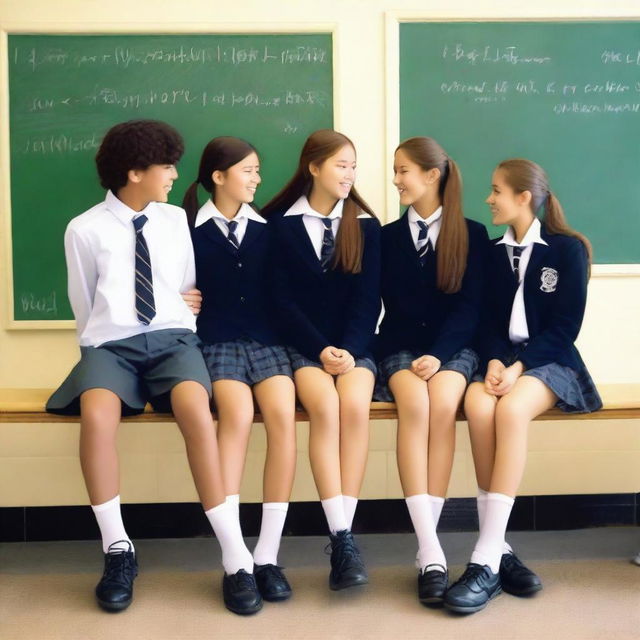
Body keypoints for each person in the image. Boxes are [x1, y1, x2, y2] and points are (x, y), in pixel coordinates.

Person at [46, 120, 261, 616]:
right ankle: (118, 549)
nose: (174, 173)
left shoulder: (174, 221)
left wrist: (183, 313)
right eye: (165, 165)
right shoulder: (84, 228)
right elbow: (84, 305)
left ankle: (235, 556)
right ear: (134, 171)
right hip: (112, 344)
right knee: (97, 416)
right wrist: (102, 349)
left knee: (193, 408)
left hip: (172, 340)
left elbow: (186, 285)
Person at [444, 158, 602, 614]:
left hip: (549, 361)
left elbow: (565, 327)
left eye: (496, 191)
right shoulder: (491, 254)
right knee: (478, 406)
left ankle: (484, 558)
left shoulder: (567, 250)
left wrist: (519, 368)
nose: (489, 199)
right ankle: (501, 552)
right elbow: (484, 321)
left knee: (510, 411)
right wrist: (495, 359)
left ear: (523, 197)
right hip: (500, 361)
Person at [262, 129, 381, 590]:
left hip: (355, 348)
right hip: (303, 349)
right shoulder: (277, 225)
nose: (350, 174)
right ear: (314, 167)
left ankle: (342, 540)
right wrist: (319, 350)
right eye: (341, 165)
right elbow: (281, 302)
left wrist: (349, 349)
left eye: (353, 165)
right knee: (325, 409)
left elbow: (368, 300)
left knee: (354, 407)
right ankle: (344, 538)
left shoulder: (365, 226)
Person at [183, 136, 296, 603]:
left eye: (257, 170)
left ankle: (266, 554)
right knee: (235, 417)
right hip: (218, 343)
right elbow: (166, 284)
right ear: (218, 176)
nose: (257, 179)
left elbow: (282, 294)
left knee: (282, 417)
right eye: (248, 170)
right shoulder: (187, 229)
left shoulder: (268, 229)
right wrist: (180, 300)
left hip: (267, 343)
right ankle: (236, 561)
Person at [375, 137, 488, 605]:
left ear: (431, 175)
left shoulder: (473, 233)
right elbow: (372, 306)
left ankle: (429, 546)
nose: (396, 179)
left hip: (453, 349)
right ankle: (431, 549)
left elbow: (470, 308)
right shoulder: (384, 237)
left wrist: (440, 355)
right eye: (395, 170)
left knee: (442, 403)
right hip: (400, 348)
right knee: (415, 406)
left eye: (403, 170)